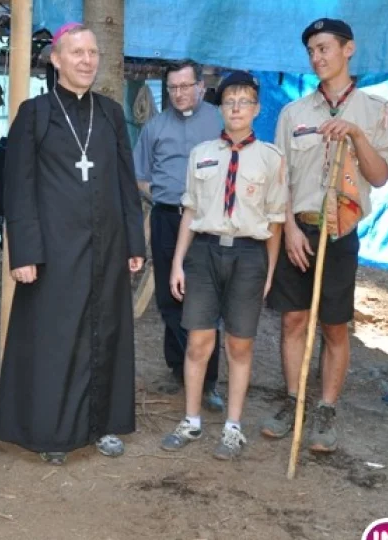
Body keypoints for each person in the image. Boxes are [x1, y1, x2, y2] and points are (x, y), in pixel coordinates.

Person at [0, 23, 146, 466]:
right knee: (57, 340)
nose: (87, 60)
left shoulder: (111, 112)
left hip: (108, 245)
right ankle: (53, 431)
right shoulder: (34, 113)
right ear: (55, 59)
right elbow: (17, 187)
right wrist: (23, 252)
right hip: (54, 252)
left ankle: (104, 425)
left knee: (107, 332)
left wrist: (134, 240)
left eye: (93, 53)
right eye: (76, 52)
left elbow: (124, 181)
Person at [261, 18, 388, 452]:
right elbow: (278, 181)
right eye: (312, 51)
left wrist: (355, 135)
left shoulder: (375, 110)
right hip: (300, 231)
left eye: (324, 48)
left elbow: (380, 177)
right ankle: (294, 401)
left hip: (341, 232)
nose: (317, 57)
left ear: (348, 49)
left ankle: (327, 411)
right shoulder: (294, 113)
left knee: (335, 327)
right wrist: (292, 230)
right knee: (293, 319)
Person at [160, 72, 286, 459]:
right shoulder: (202, 154)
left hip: (249, 254)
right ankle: (191, 419)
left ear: (257, 109)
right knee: (199, 340)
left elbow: (276, 221)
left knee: (240, 344)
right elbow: (190, 211)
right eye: (229, 101)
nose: (236, 108)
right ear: (220, 107)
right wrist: (178, 263)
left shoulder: (271, 158)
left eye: (244, 101)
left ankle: (233, 427)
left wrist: (269, 270)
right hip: (204, 251)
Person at [133, 59, 224, 410]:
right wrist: (158, 197)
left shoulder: (218, 119)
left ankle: (209, 382)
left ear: (201, 86)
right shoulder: (154, 127)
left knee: (207, 297)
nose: (179, 94)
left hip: (209, 222)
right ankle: (178, 368)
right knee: (170, 297)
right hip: (167, 218)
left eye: (186, 86)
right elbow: (140, 175)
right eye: (173, 88)